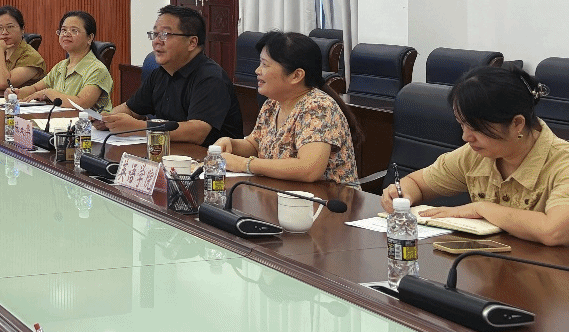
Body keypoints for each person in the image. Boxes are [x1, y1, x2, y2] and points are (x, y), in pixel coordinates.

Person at [380, 65, 569, 246]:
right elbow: (417, 183)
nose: (466, 137)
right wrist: (402, 195)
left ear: (517, 124)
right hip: (491, 262)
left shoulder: (562, 162)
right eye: (462, 125)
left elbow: (554, 231)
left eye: (477, 127)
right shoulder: (474, 156)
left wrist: (481, 208)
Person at [215, 31, 360, 184]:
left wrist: (245, 164)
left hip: (328, 197)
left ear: (296, 76)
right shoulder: (273, 104)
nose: (257, 71)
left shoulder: (319, 107)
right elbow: (255, 145)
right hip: (282, 192)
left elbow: (309, 169)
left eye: (265, 64)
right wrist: (231, 144)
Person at [101, 5, 241, 145]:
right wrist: (108, 119)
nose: (156, 41)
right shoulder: (161, 73)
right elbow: (130, 109)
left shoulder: (211, 78)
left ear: (192, 42)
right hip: (171, 152)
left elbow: (197, 132)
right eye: (155, 34)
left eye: (165, 35)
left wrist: (138, 127)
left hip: (209, 156)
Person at [11, 11, 112, 112]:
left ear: (89, 38)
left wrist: (48, 93)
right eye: (63, 30)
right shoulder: (61, 66)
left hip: (87, 122)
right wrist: (17, 93)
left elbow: (81, 103)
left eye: (74, 31)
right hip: (59, 119)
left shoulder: (98, 70)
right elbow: (36, 89)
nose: (66, 34)